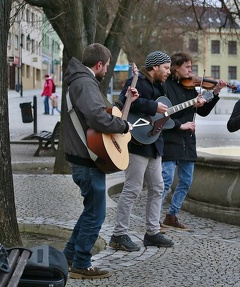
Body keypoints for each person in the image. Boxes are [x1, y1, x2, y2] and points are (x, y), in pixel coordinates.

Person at [62, 43, 139, 279]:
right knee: (96, 214)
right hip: (86, 161)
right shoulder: (84, 83)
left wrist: (123, 103)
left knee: (90, 211)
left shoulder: (81, 81)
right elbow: (97, 118)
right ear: (98, 64)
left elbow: (97, 113)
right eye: (106, 66)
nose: (106, 70)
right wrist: (123, 125)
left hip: (85, 158)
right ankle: (82, 264)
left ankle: (69, 256)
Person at [109, 51, 174, 251]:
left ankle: (152, 233)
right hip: (137, 144)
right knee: (132, 189)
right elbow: (126, 101)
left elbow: (161, 114)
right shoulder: (136, 80)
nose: (168, 72)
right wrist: (154, 106)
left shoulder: (159, 85)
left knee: (158, 188)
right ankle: (119, 235)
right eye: (166, 67)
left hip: (154, 144)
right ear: (154, 67)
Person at [160, 52, 227, 230]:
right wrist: (188, 110)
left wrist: (215, 92)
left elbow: (203, 112)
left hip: (187, 140)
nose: (191, 71)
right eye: (187, 67)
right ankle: (153, 220)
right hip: (170, 138)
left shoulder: (191, 88)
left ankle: (172, 215)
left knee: (186, 181)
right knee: (166, 181)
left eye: (191, 67)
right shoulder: (165, 86)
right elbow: (167, 113)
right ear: (176, 68)